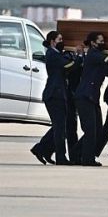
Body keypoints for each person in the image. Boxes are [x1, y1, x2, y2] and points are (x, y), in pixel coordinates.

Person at [29, 31, 78, 166]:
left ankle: (42, 149)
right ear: (52, 41)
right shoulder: (52, 54)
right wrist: (79, 56)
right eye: (60, 39)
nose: (62, 41)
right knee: (60, 127)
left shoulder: (57, 54)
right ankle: (60, 157)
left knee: (60, 126)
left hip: (58, 94)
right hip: (54, 95)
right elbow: (69, 66)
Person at [72, 32, 108, 166]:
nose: (103, 43)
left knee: (97, 130)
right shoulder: (93, 54)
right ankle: (87, 159)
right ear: (93, 43)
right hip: (85, 96)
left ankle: (75, 153)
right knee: (91, 130)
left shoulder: (95, 55)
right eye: (100, 41)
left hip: (92, 97)